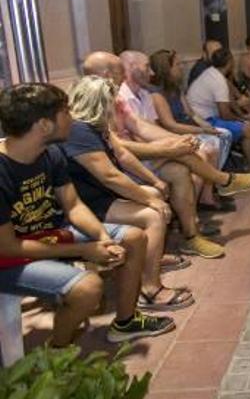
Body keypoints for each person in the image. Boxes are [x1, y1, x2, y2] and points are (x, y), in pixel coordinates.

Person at [0, 83, 175, 345]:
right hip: (10, 258)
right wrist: (86, 250)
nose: (73, 118)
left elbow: (73, 206)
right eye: (66, 112)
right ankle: (58, 352)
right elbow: (9, 247)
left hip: (51, 234)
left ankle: (126, 322)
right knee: (88, 287)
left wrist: (103, 238)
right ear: (44, 125)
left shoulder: (51, 153)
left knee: (134, 237)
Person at [83, 51, 250, 259]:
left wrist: (177, 141)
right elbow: (118, 149)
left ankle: (191, 237)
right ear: (105, 74)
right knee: (180, 155)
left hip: (130, 159)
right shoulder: (92, 102)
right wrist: (169, 148)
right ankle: (223, 181)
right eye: (119, 70)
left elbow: (141, 127)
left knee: (179, 169)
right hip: (115, 168)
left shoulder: (116, 99)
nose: (124, 75)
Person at [61, 76, 194, 311]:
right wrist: (151, 201)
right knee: (153, 216)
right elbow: (110, 177)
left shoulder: (95, 126)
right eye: (112, 101)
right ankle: (150, 289)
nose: (116, 106)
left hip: (98, 194)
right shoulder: (79, 131)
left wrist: (154, 182)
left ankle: (148, 259)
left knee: (154, 193)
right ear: (101, 103)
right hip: (86, 202)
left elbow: (123, 156)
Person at [149, 49, 234, 210]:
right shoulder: (157, 94)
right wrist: (203, 132)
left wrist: (206, 126)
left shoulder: (176, 88)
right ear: (166, 69)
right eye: (177, 64)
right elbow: (170, 125)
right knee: (210, 146)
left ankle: (209, 191)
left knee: (223, 134)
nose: (181, 67)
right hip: (176, 132)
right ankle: (207, 193)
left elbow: (191, 113)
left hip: (189, 127)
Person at [187, 48, 250, 174]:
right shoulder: (218, 81)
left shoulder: (211, 73)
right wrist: (243, 120)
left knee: (249, 120)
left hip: (201, 117)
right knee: (247, 129)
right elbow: (225, 114)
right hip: (205, 121)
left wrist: (241, 115)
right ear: (230, 63)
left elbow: (229, 102)